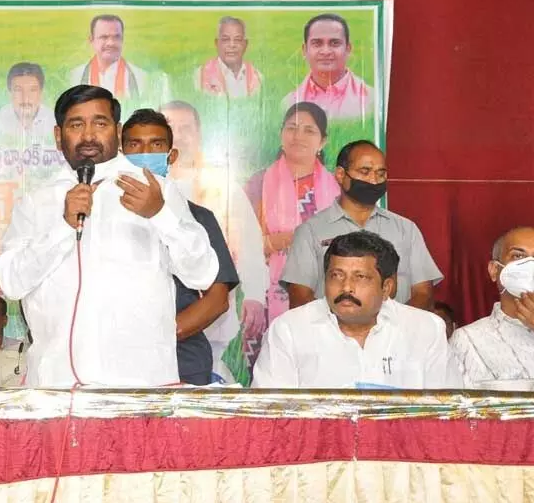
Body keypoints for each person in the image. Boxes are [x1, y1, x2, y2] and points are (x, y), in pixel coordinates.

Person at [0, 85, 219, 387]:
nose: (88, 135)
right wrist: (63, 227)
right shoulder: (37, 202)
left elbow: (202, 274)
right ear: (58, 135)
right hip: (57, 389)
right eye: (76, 125)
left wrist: (160, 215)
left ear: (116, 130)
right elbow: (11, 282)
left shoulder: (156, 190)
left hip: (141, 387)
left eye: (99, 124)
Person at [252, 231, 462, 389]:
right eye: (337, 275)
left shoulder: (425, 330)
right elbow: (271, 416)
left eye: (360, 277)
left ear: (387, 287)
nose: (346, 287)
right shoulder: (290, 329)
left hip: (402, 445)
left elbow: (447, 413)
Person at [121, 109, 240, 385]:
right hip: (115, 366)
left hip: (182, 362)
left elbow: (217, 299)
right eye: (135, 145)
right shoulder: (100, 215)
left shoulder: (198, 217)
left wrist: (159, 338)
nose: (145, 153)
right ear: (121, 152)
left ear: (171, 156)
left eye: (156, 145)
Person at [162, 100, 269, 374]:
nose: (177, 135)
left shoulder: (220, 186)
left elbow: (249, 244)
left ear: (198, 135)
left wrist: (255, 294)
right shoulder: (140, 187)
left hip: (211, 321)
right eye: (170, 127)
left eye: (185, 128)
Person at [282, 139, 442, 311]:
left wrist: (395, 330)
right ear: (341, 175)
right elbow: (300, 298)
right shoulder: (310, 231)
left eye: (381, 173)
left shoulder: (406, 229)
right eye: (365, 172)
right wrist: (341, 331)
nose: (374, 180)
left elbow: (423, 294)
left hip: (396, 334)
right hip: (332, 335)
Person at [244, 102, 340, 325]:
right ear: (281, 134)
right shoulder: (258, 184)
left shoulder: (337, 189)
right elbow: (238, 244)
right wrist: (276, 242)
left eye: (309, 130)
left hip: (326, 293)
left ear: (322, 141)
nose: (298, 136)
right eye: (292, 128)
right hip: (266, 293)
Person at [450, 227, 534, 386]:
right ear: (494, 270)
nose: (530, 266)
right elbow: (459, 407)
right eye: (518, 256)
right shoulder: (468, 340)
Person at [282, 13, 373, 120]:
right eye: (317, 43)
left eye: (335, 43)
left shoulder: (371, 100)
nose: (326, 51)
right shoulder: (289, 103)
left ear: (348, 49)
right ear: (305, 50)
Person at [69, 15, 146, 99]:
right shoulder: (75, 76)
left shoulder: (141, 77)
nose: (111, 43)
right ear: (91, 40)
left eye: (116, 37)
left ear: (122, 39)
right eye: (104, 37)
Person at [195, 16, 262, 98]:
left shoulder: (257, 77)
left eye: (237, 39)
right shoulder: (200, 76)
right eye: (226, 39)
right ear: (217, 43)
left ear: (245, 44)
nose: (232, 45)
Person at [0, 62, 55, 143]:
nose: (26, 98)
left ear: (41, 93)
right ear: (9, 93)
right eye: (18, 90)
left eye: (32, 90)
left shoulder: (53, 122)